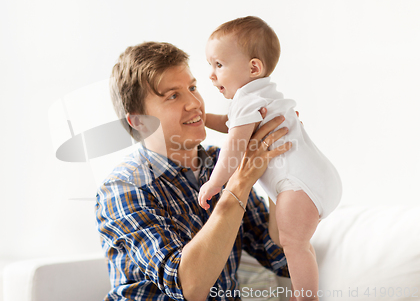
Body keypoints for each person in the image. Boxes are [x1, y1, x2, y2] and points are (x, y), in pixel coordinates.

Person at [95, 41, 293, 301]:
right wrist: (241, 181)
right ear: (140, 122)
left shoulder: (218, 161)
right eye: (173, 96)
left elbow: (279, 258)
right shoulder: (124, 187)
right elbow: (188, 287)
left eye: (192, 87)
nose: (194, 104)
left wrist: (274, 167)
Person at [198, 16, 342, 300]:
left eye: (218, 65)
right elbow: (230, 123)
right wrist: (202, 119)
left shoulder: (246, 101)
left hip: (298, 185)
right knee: (297, 243)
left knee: (294, 243)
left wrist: (215, 183)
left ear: (253, 67)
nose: (211, 75)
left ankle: (305, 297)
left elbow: (234, 145)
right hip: (317, 178)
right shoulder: (262, 95)